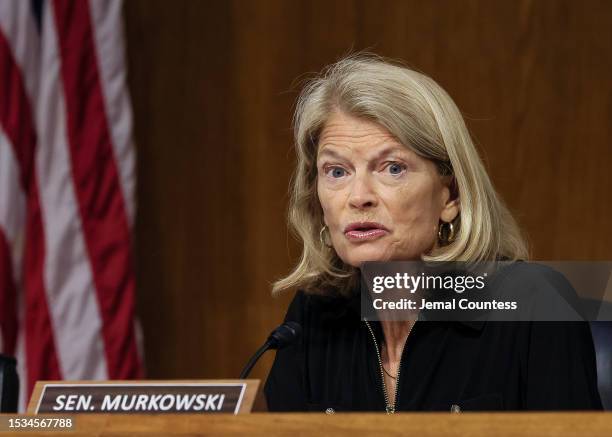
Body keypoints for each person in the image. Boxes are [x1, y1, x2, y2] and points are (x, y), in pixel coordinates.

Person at [264, 54, 602, 412]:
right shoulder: (312, 317)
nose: (358, 197)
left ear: (450, 196)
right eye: (336, 172)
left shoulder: (532, 303)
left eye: (392, 168)